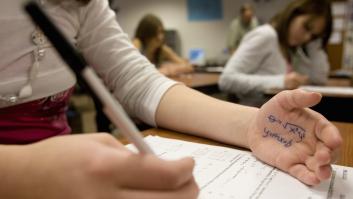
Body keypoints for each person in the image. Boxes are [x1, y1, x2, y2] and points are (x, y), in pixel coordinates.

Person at [0, 0, 342, 198]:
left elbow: (138, 81)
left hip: (69, 175)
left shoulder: (86, 4)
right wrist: (25, 173)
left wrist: (251, 126)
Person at [219, 0, 332, 107]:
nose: (307, 37)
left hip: (280, 117)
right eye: (307, 27)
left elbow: (319, 79)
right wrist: (281, 81)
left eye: (313, 36)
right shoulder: (266, 36)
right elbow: (226, 80)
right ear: (293, 14)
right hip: (254, 114)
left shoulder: (292, 48)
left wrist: (315, 44)